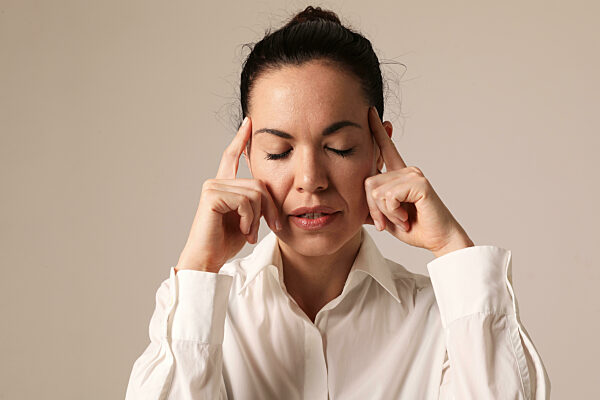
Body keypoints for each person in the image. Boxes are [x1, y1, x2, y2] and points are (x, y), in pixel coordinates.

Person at [125, 6, 550, 399]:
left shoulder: (445, 320)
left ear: (379, 150)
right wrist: (199, 270)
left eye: (341, 147)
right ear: (247, 159)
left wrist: (453, 247)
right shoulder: (203, 314)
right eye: (278, 152)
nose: (310, 181)